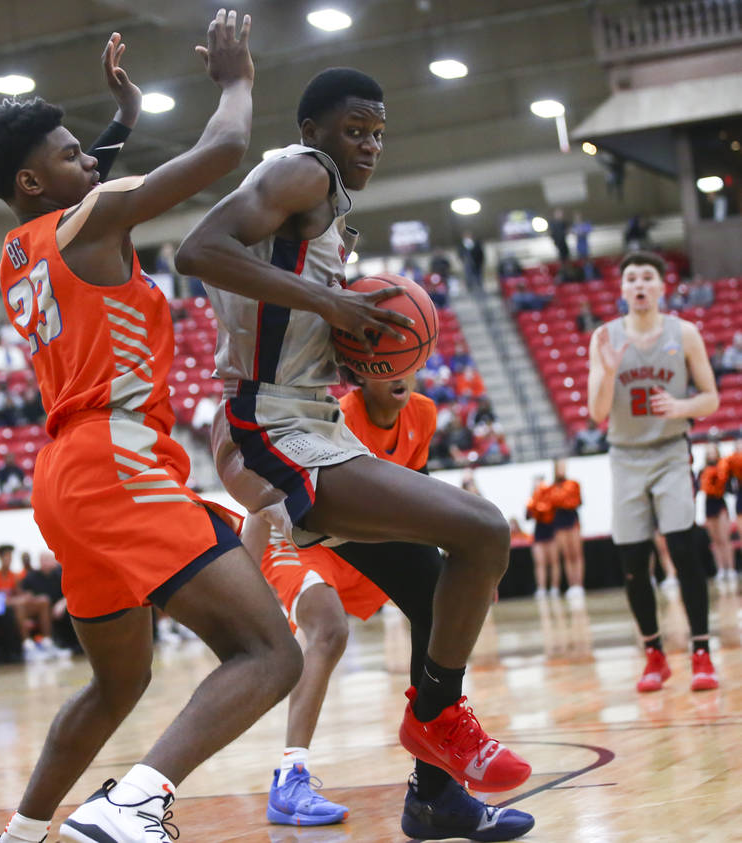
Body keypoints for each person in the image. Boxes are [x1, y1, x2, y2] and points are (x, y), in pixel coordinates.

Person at [0, 17, 303, 843]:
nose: (90, 158)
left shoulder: (20, 246)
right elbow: (223, 153)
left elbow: (85, 187)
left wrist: (123, 122)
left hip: (63, 477)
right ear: (31, 179)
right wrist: (235, 80)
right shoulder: (97, 216)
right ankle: (134, 802)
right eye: (71, 151)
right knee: (270, 653)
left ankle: (18, 835)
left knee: (119, 681)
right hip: (118, 458)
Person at [177, 62, 531, 816]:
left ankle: (434, 798)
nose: (369, 144)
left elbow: (272, 300)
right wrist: (331, 302)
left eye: (377, 132)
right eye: (354, 130)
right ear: (314, 132)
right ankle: (435, 722)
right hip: (268, 426)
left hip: (307, 420)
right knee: (482, 531)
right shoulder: (305, 172)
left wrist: (339, 330)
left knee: (437, 587)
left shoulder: (316, 201)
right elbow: (198, 250)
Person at [245, 372, 534, 839]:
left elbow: (418, 507)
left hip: (365, 541)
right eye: (384, 358)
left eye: (406, 355)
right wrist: (245, 580)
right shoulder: (339, 416)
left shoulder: (422, 411)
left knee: (440, 610)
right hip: (305, 540)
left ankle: (432, 795)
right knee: (329, 630)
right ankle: (289, 776)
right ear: (359, 371)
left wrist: (466, 577)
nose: (397, 370)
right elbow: (263, 499)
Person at [587, 251, 720, 692]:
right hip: (625, 455)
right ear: (622, 289)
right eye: (631, 278)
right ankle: (654, 655)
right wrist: (607, 375)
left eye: (647, 277)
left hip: (669, 451)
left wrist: (682, 407)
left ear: (662, 286)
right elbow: (597, 412)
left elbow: (711, 398)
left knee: (683, 549)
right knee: (631, 560)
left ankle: (701, 652)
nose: (640, 284)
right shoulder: (604, 337)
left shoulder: (685, 334)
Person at [700, 444, 736, 593]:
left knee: (724, 538)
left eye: (712, 452)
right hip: (709, 506)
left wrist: (720, 485)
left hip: (720, 504)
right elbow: (699, 488)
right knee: (715, 540)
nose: (710, 455)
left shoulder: (724, 468)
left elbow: (730, 488)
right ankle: (720, 569)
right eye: (708, 453)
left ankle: (731, 569)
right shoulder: (702, 471)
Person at [550, 459, 585, 607]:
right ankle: (571, 585)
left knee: (576, 554)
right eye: (560, 467)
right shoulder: (551, 487)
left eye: (564, 467)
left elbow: (578, 501)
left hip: (572, 521)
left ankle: (579, 584)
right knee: (566, 555)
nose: (562, 470)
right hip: (559, 524)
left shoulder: (573, 484)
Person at [526, 477, 559, 598]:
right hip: (539, 532)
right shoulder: (532, 500)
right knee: (540, 562)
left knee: (554, 561)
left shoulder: (551, 498)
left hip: (551, 531)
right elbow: (528, 516)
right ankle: (541, 588)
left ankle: (554, 588)